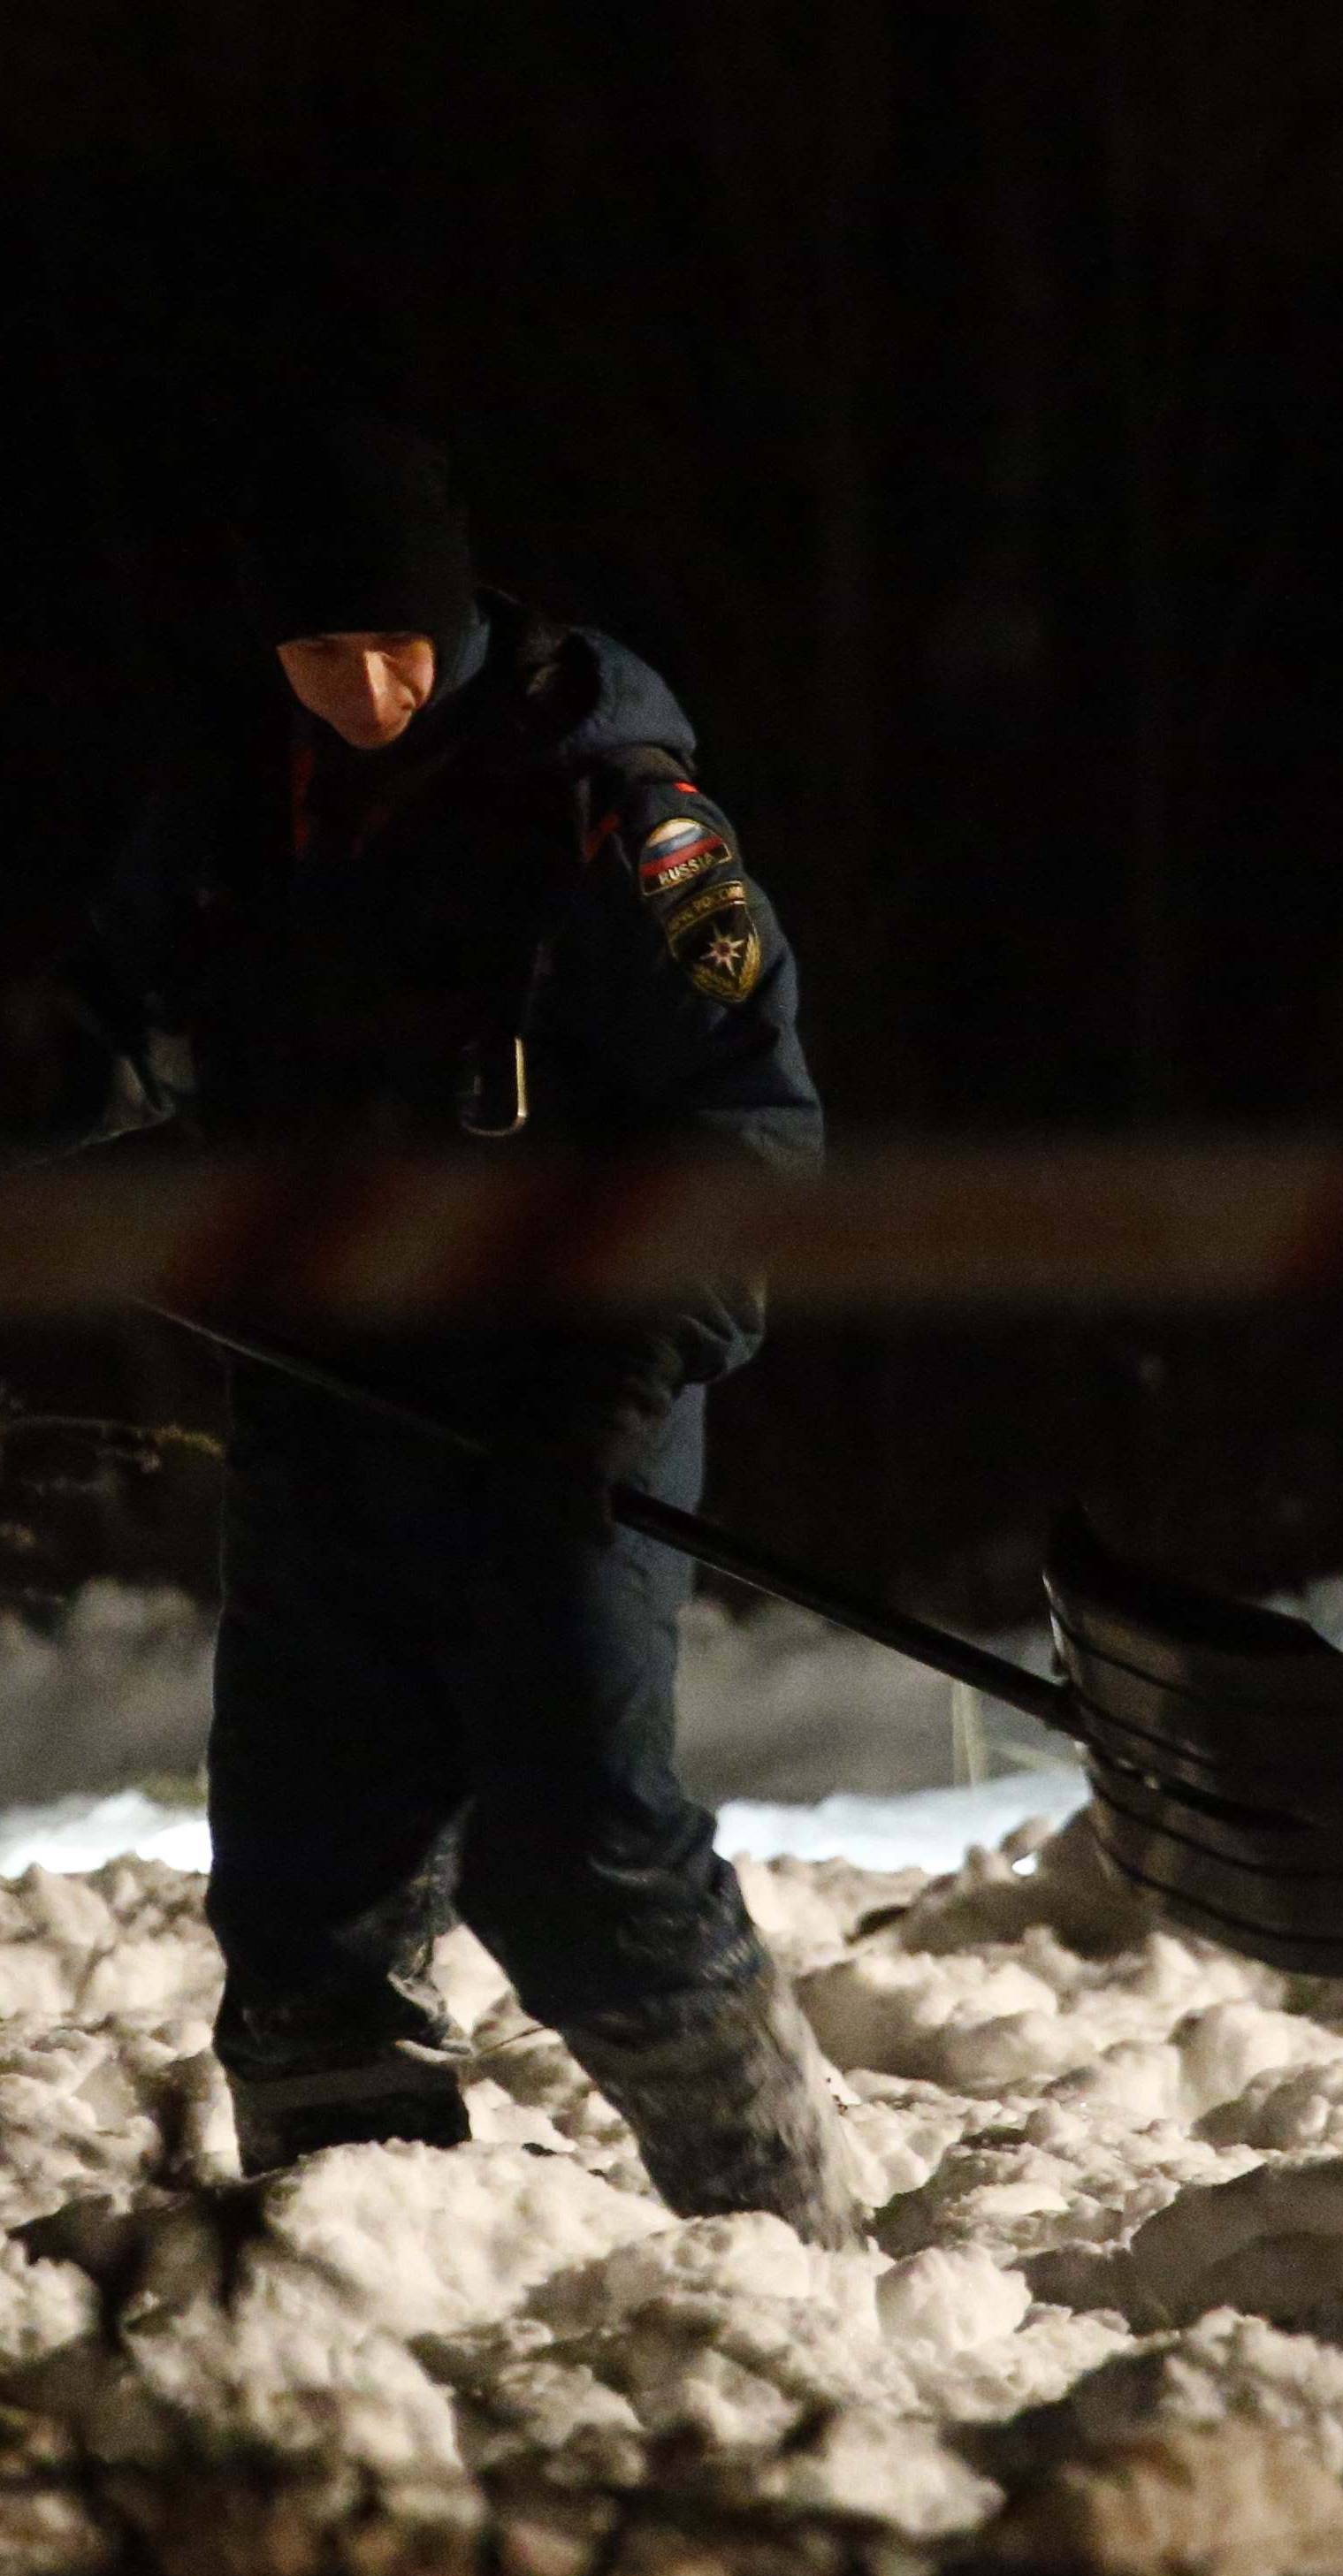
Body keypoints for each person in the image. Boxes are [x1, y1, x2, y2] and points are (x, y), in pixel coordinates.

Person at [9, 408, 857, 2243]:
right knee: (309, 1887)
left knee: (579, 1851)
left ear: (459, 611)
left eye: (399, 642)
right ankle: (372, 2274)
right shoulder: (243, 809)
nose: (369, 685)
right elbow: (114, 1028)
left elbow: (751, 1126)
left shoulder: (614, 812)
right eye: (322, 653)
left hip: (575, 1408)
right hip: (328, 1405)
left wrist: (630, 1359)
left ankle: (792, 2226)